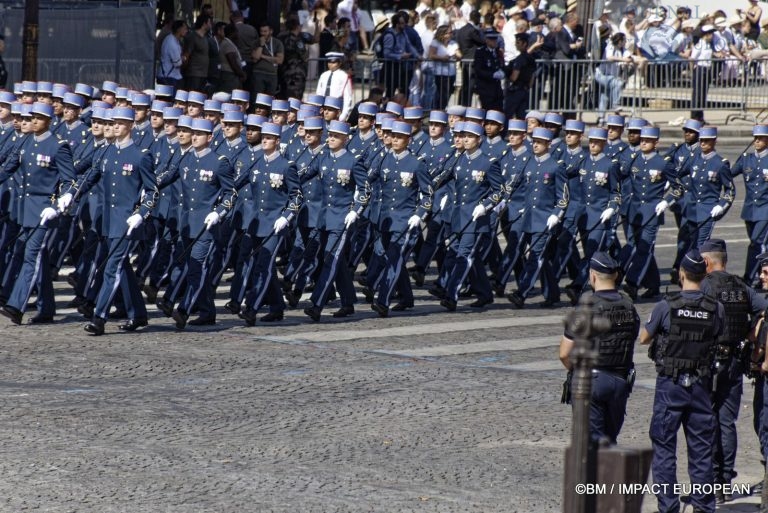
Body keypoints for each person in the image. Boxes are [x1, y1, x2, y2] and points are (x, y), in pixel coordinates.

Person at [640, 249, 725, 513]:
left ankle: (668, 507)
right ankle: (703, 506)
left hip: (671, 385)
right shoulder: (716, 308)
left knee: (664, 449)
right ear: (704, 274)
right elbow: (719, 337)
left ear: (681, 273)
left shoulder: (667, 305)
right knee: (701, 451)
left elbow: (644, 338)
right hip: (700, 385)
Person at [700, 238, 768, 503]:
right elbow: (765, 308)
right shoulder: (740, 286)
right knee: (726, 423)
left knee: (705, 421)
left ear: (706, 261)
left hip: (708, 364)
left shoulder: (703, 286)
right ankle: (724, 483)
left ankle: (709, 481)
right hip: (735, 364)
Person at [0, 103, 76, 325]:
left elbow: (69, 180)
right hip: (25, 209)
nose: (33, 121)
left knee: (31, 256)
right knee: (37, 259)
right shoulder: (25, 140)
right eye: (32, 117)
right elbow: (8, 168)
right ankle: (46, 307)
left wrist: (60, 202)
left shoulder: (57, 145)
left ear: (49, 121)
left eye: (39, 118)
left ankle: (17, 305)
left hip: (44, 210)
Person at [559, 252, 640, 443]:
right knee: (610, 441)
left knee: (592, 446)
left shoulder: (587, 307)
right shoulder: (629, 306)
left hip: (592, 381)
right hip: (621, 381)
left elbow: (564, 353)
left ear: (593, 276)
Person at [731, 124, 768, 287]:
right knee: (761, 244)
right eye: (755, 138)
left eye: (761, 138)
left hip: (765, 209)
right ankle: (763, 276)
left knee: (756, 242)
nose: (757, 141)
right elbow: (730, 173)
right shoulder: (747, 158)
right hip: (749, 210)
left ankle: (748, 276)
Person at [504, 32, 536, 121]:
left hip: (516, 91)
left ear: (524, 43)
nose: (516, 44)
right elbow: (532, 78)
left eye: (518, 42)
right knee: (521, 117)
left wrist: (506, 74)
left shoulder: (520, 59)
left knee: (507, 115)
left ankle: (504, 134)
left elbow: (514, 77)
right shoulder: (531, 59)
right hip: (525, 90)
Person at [315, 51, 354, 121]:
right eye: (329, 62)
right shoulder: (324, 75)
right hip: (324, 108)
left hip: (336, 107)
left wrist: (344, 115)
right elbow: (319, 93)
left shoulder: (344, 76)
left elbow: (347, 97)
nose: (331, 64)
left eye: (334, 62)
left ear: (340, 63)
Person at [473, 28, 504, 111]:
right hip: (486, 89)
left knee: (498, 111)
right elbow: (478, 70)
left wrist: (503, 72)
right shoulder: (481, 52)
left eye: (495, 39)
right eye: (491, 39)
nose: (494, 41)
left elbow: (501, 65)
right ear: (487, 40)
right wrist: (492, 75)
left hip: (497, 89)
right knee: (487, 111)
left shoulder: (497, 52)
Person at [251, 22, 284, 98]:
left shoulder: (277, 43)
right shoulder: (256, 42)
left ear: (271, 31)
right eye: (261, 31)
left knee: (269, 99)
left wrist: (263, 56)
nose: (263, 34)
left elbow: (279, 60)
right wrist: (261, 45)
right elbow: (256, 58)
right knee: (257, 98)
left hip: (272, 74)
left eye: (265, 31)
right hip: (258, 74)